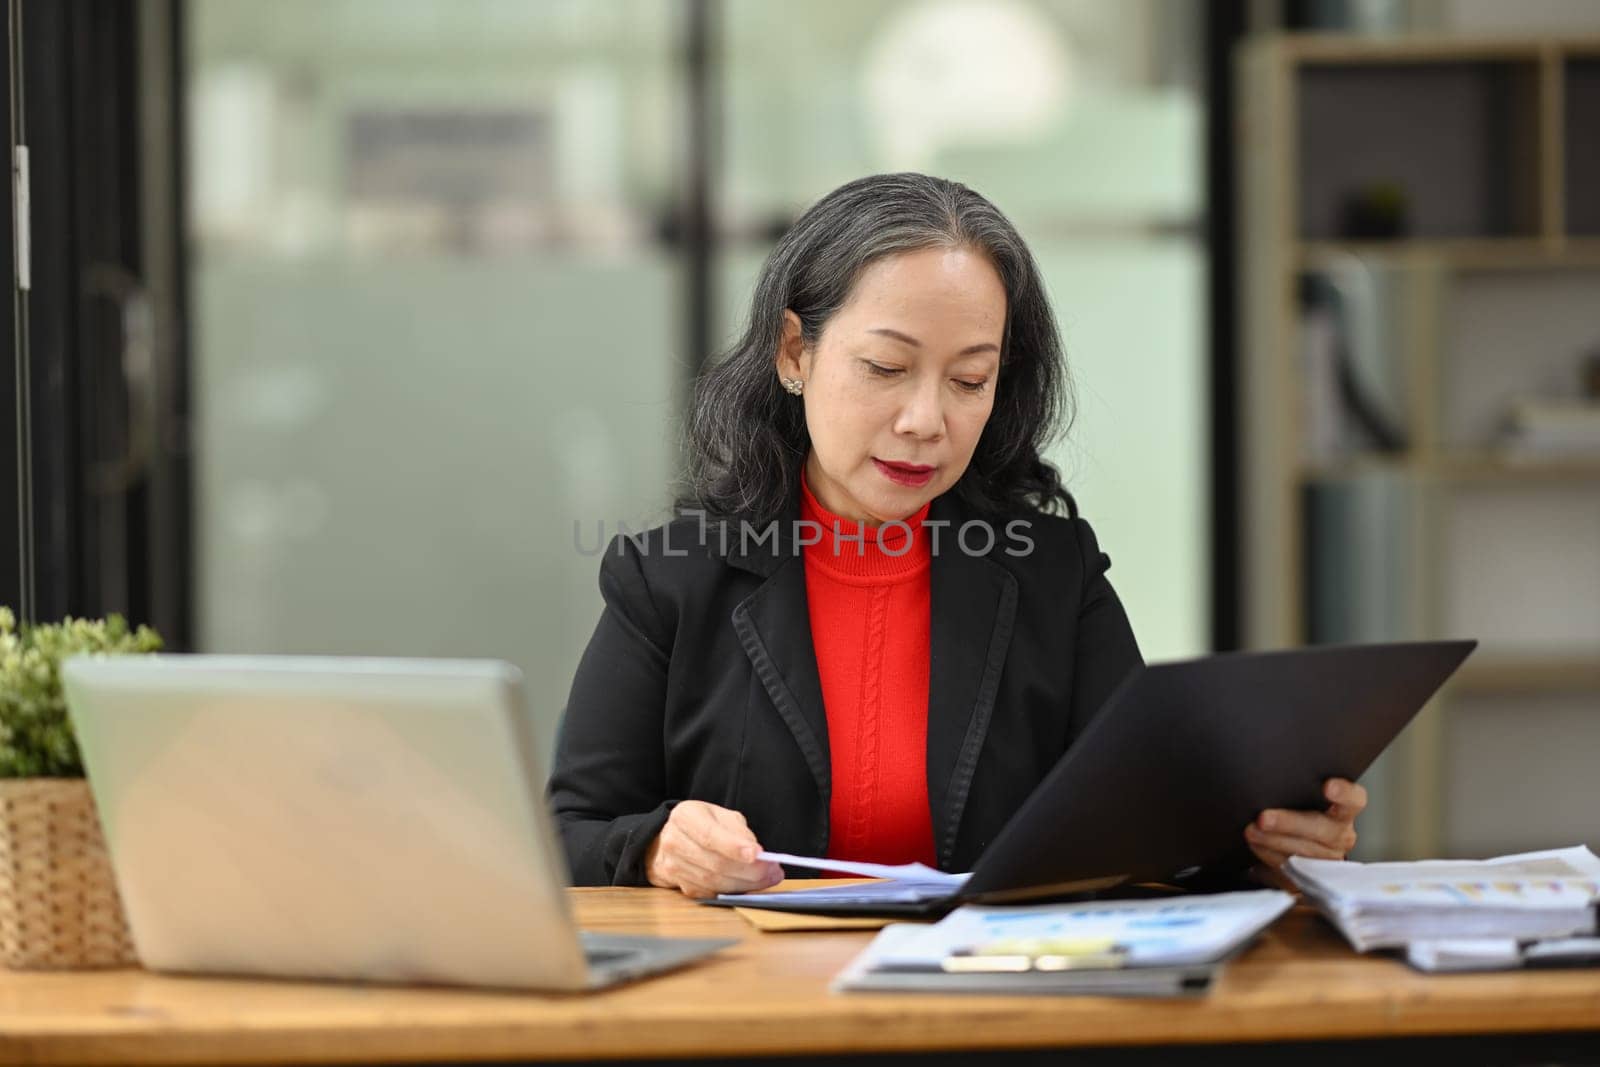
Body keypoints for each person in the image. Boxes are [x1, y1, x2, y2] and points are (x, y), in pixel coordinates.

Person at [547, 173, 1366, 899]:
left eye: (970, 379)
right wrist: (657, 846)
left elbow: (1149, 823)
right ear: (795, 352)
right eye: (886, 367)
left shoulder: (1052, 574)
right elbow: (568, 831)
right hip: (751, 1015)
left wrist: (1265, 845)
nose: (926, 421)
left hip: (989, 1009)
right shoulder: (670, 579)